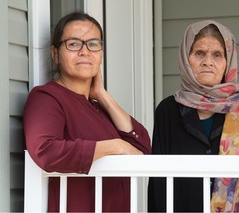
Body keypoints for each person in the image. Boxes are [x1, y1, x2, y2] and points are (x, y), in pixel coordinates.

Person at [24, 12, 151, 212]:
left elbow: (141, 147)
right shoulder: (47, 98)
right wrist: (114, 146)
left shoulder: (97, 106)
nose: (85, 51)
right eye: (73, 44)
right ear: (55, 53)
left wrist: (102, 94)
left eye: (93, 44)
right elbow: (45, 150)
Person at [148, 20, 239, 212]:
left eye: (217, 54)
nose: (208, 61)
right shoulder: (168, 110)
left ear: (228, 61)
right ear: (185, 58)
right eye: (199, 53)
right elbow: (158, 183)